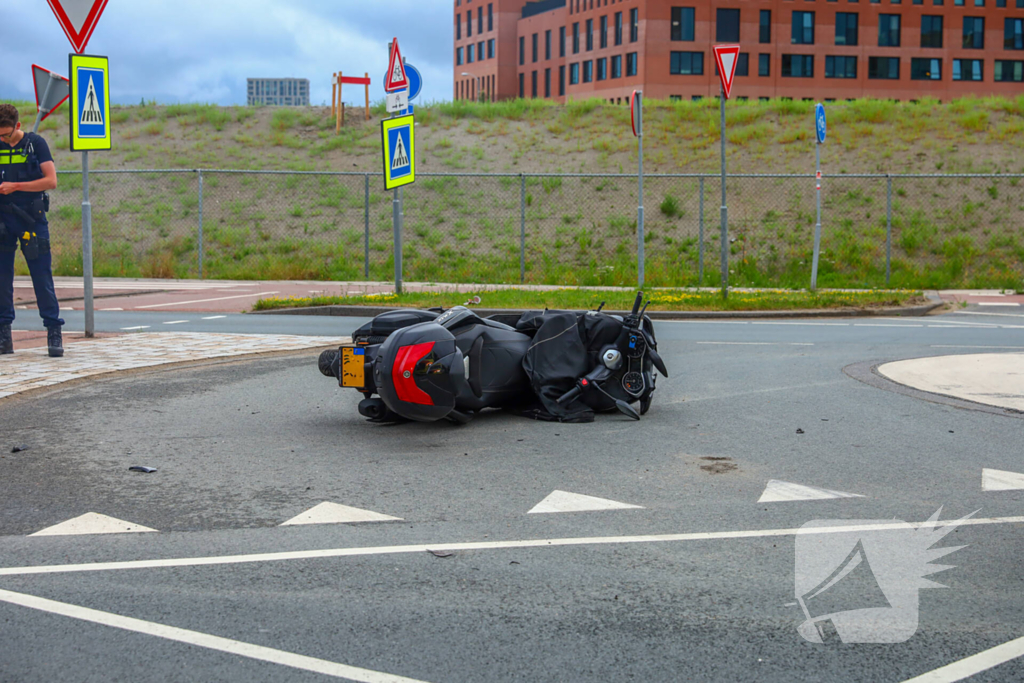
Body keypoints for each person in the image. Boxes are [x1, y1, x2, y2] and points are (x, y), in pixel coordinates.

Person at [0, 103, 63, 357]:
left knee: (41, 278)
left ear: (17, 126)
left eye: (5, 134)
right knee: (2, 280)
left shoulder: (35, 144)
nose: (2, 138)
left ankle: (53, 331)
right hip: (3, 221)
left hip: (31, 220)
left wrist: (16, 186)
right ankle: (4, 334)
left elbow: (51, 181)